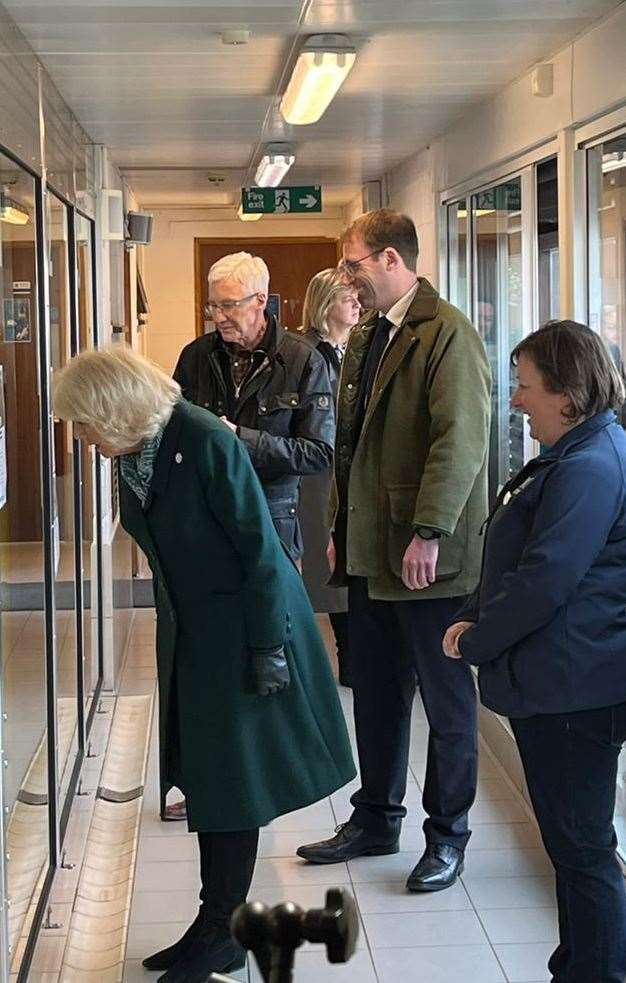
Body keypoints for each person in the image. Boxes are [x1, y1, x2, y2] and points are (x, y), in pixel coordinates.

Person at [53, 346, 355, 983]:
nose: (79, 438)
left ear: (112, 408)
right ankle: (213, 922)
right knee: (210, 781)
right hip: (197, 634)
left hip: (249, 630)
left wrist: (268, 647)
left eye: (83, 423)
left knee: (234, 784)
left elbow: (261, 551)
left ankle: (225, 931)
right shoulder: (139, 453)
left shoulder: (203, 439)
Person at [297, 209, 491, 894]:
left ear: (388, 259)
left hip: (428, 560)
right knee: (376, 693)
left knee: (445, 704)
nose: (347, 277)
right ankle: (376, 817)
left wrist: (430, 530)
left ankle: (448, 836)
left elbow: (460, 441)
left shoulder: (448, 334)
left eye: (353, 263)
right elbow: (350, 446)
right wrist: (340, 527)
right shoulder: (371, 335)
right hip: (373, 552)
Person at [444, 320, 626, 983]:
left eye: (525, 387)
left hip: (575, 691)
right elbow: (519, 557)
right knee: (572, 844)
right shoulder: (578, 453)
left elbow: (547, 577)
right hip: (561, 683)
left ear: (568, 394)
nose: (516, 400)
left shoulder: (592, 464)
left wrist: (478, 638)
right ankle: (576, 963)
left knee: (582, 848)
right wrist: (474, 612)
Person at [168, 252, 336, 820]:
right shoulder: (195, 358)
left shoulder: (303, 361)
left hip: (272, 518)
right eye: (212, 304)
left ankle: (272, 772)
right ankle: (207, 774)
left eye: (230, 304)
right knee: (210, 647)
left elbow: (318, 453)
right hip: (204, 524)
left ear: (260, 302)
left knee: (270, 648)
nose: (218, 315)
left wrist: (238, 439)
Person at [299, 269, 361, 686]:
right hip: (318, 477)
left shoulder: (355, 349)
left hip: (350, 474)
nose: (357, 304)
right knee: (329, 566)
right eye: (347, 298)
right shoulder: (308, 354)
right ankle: (348, 657)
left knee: (348, 568)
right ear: (325, 305)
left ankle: (354, 656)